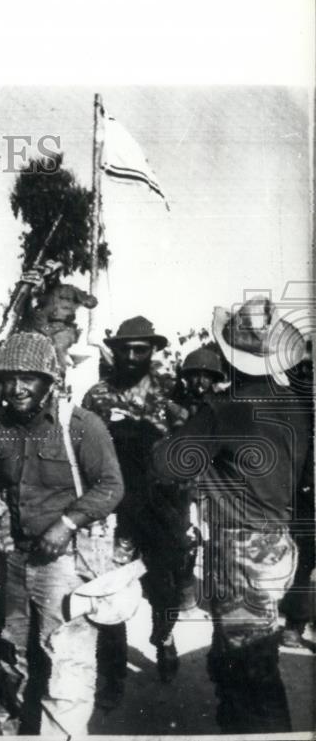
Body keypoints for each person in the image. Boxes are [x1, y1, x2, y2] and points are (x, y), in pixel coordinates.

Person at [153, 297, 312, 734]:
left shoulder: (225, 409)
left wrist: (185, 429)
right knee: (238, 658)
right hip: (277, 545)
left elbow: (165, 465)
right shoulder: (295, 406)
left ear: (228, 355)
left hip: (241, 553)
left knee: (252, 674)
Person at [0, 332, 124, 736]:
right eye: (9, 378)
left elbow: (111, 486)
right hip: (15, 558)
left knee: (66, 660)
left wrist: (67, 524)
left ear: (50, 381)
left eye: (29, 378)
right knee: (12, 653)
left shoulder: (80, 425)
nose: (17, 388)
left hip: (65, 561)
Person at [81, 315, 190, 692]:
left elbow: (190, 450)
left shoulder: (173, 392)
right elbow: (83, 449)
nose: (130, 355)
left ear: (152, 351)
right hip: (115, 506)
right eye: (124, 348)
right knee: (110, 586)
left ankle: (164, 638)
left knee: (165, 585)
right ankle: (112, 677)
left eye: (139, 349)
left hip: (163, 504)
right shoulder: (97, 395)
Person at [177, 346, 227, 416]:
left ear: (213, 379)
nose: (200, 381)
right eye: (196, 375)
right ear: (188, 378)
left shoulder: (223, 402)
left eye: (206, 376)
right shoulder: (182, 405)